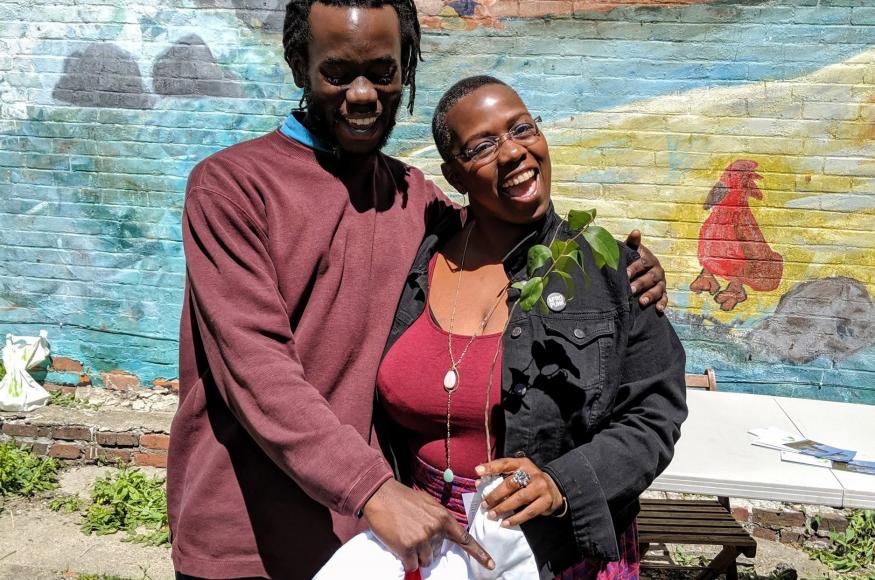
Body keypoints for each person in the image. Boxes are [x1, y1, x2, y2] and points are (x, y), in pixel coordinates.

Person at [167, 2, 670, 579]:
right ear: (298, 63)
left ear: (405, 67)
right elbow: (255, 366)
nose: (362, 94)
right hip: (251, 530)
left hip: (374, 540)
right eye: (338, 73)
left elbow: (508, 226)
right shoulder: (232, 187)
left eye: (382, 72)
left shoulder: (416, 200)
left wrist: (619, 266)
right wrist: (373, 487)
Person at [374, 75, 688, 578]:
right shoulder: (419, 260)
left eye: (523, 129)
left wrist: (564, 482)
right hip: (420, 540)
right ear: (454, 175)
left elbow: (654, 414)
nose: (513, 152)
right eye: (483, 146)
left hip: (555, 550)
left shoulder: (611, 273)